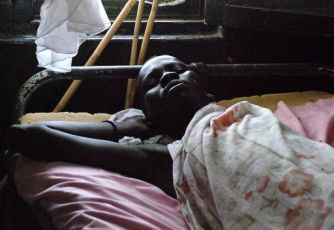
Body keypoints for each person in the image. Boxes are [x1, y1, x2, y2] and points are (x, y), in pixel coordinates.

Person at [6, 55, 214, 197]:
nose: (168, 76)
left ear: (208, 93)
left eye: (179, 70)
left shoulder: (244, 113)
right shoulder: (171, 159)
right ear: (150, 117)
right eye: (152, 84)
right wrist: (128, 127)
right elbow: (25, 135)